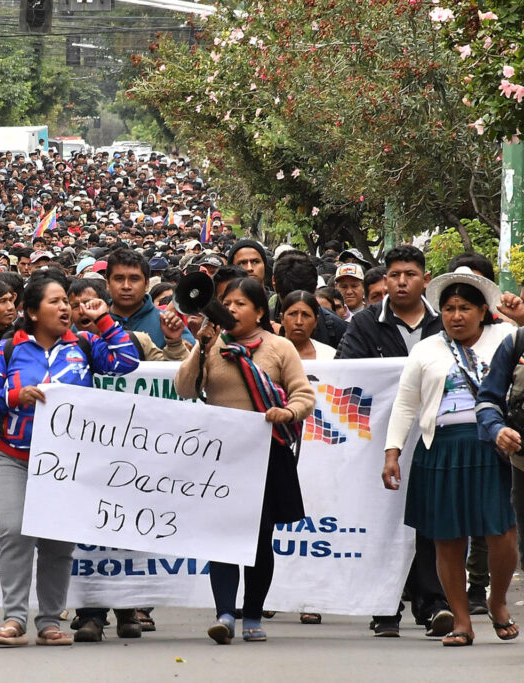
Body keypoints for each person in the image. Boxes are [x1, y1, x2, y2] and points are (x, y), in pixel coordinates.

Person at [0, 273, 139, 648]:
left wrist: (104, 318)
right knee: (15, 531)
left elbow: (127, 361)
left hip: (68, 464)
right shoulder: (8, 348)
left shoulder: (84, 343)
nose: (66, 308)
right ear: (31, 311)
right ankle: (14, 619)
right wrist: (15, 396)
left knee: (58, 544)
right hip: (12, 458)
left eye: (68, 301)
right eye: (55, 302)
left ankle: (49, 622)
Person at [175, 277, 314, 644]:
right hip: (222, 457)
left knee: (259, 539)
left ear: (258, 311)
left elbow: (305, 395)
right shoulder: (212, 344)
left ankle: (253, 613)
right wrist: (200, 347)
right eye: (227, 302)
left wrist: (288, 412)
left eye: (240, 303)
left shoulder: (279, 347)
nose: (232, 309)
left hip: (266, 453)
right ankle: (225, 614)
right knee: (221, 537)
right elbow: (185, 388)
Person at [383, 267, 517, 646]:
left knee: (502, 532)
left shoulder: (506, 338)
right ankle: (462, 620)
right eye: (448, 309)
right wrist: (392, 452)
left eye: (464, 308)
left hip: (493, 446)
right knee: (447, 538)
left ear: (481, 311)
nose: (456, 316)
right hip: (441, 448)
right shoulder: (427, 349)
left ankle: (498, 600)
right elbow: (406, 405)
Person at [337, 245, 450, 638]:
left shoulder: (444, 321)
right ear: (385, 281)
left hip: (438, 435)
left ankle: (433, 602)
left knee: (431, 518)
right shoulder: (366, 323)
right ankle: (384, 606)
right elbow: (347, 374)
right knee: (382, 519)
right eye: (395, 275)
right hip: (379, 440)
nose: (402, 281)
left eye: (411, 274)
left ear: (426, 280)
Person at [280, 291, 335, 360]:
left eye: (306, 315)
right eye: (293, 314)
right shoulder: (267, 353)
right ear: (282, 319)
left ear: (316, 321)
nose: (299, 322)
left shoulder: (329, 355)